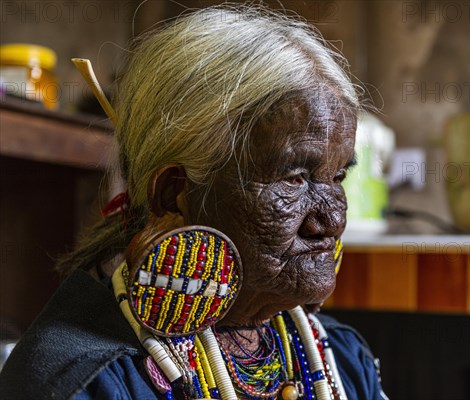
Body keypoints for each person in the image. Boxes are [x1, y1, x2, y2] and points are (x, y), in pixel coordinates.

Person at [0, 5, 386, 400]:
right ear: (172, 195)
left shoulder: (338, 356)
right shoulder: (89, 382)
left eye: (338, 176)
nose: (332, 220)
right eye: (296, 178)